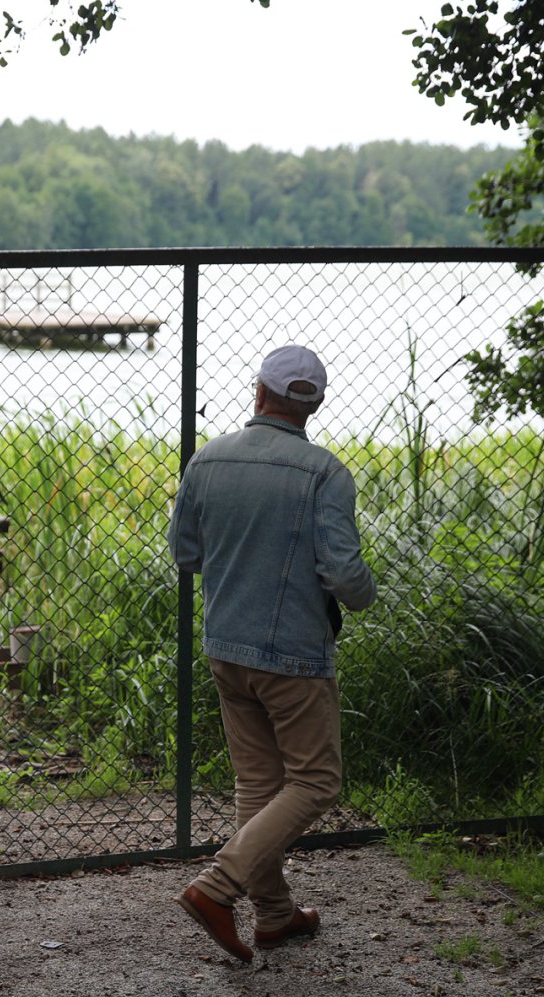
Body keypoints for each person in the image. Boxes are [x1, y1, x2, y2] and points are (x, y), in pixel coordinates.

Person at [167, 343, 377, 961]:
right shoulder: (325, 472)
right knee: (316, 782)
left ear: (259, 391)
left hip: (226, 648)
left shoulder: (206, 461)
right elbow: (346, 576)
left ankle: (277, 914)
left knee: (258, 783)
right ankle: (217, 886)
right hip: (292, 656)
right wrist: (363, 593)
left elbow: (186, 556)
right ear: (312, 405)